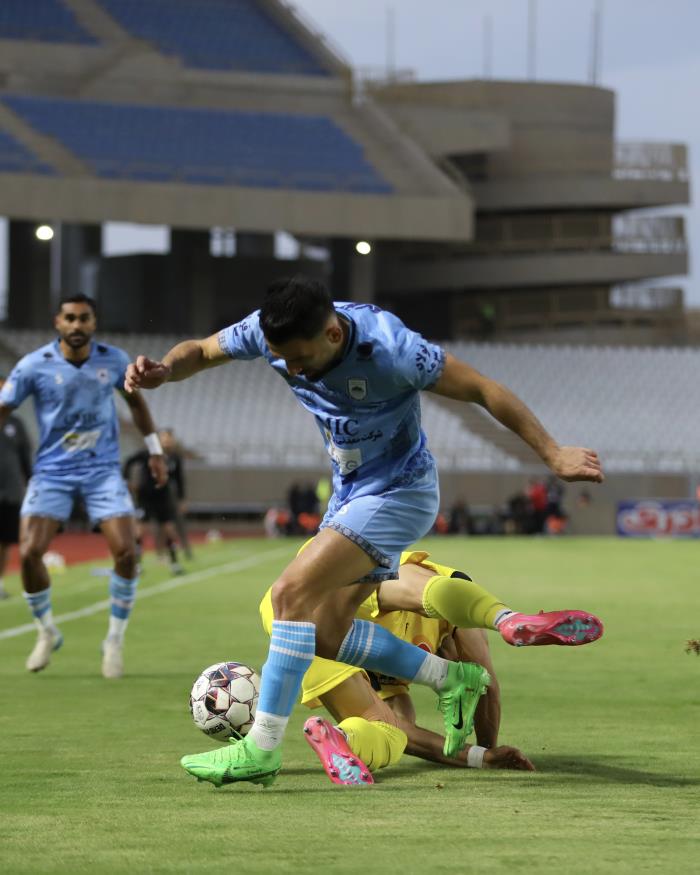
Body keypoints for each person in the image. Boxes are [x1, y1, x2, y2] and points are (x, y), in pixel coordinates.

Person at [124, 276, 603, 788]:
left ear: (333, 335)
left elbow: (484, 389)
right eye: (281, 358)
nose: (291, 370)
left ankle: (261, 748)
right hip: (351, 495)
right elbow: (201, 350)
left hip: (400, 492)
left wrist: (552, 453)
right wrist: (165, 370)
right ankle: (452, 677)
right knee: (328, 634)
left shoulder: (394, 350)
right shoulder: (270, 334)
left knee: (288, 595)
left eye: (300, 358)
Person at [261, 544, 600, 783]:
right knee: (409, 582)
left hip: (290, 620)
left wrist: (479, 757)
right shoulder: (455, 629)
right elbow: (487, 685)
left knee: (391, 730)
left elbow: (407, 732)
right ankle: (505, 618)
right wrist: (488, 750)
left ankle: (342, 737)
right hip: (331, 588)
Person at [0, 294, 168, 678]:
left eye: (84, 318)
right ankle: (46, 630)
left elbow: (137, 405)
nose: (77, 325)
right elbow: (4, 408)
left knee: (126, 552)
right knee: (29, 552)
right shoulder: (33, 365)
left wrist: (155, 451)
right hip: (52, 473)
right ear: (58, 323)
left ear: (94, 323)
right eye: (70, 318)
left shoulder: (114, 360)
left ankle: (114, 639)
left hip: (102, 471)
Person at [123, 428, 185, 574]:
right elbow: (129, 461)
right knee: (140, 530)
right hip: (146, 497)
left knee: (169, 529)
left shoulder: (174, 458)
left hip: (163, 497)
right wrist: (127, 480)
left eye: (169, 438)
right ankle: (137, 565)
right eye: (164, 438)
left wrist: (181, 499)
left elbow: (179, 480)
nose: (167, 441)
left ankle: (174, 563)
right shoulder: (148, 453)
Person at [0, 376, 32, 599]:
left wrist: (32, 482)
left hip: (11, 491)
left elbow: (25, 458)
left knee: (4, 540)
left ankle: (0, 583)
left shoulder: (16, 423)